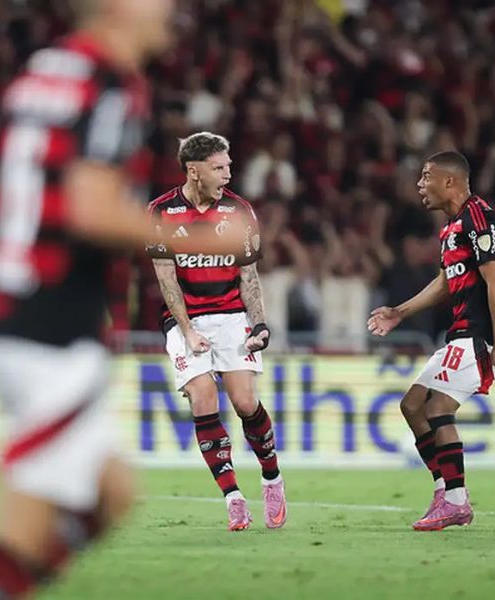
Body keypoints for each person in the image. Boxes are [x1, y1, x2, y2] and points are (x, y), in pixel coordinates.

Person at [0, 3, 250, 598]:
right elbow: (90, 209)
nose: (170, 10)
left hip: (10, 318)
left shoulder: (40, 72)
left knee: (111, 495)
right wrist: (198, 237)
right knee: (24, 536)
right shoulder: (110, 83)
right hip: (54, 329)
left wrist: (24, 238)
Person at [147, 132, 287, 532]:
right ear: (194, 170)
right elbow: (166, 280)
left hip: (230, 316)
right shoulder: (160, 211)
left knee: (244, 402)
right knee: (203, 396)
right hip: (185, 318)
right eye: (219, 167)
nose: (229, 173)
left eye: (228, 166)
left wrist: (259, 324)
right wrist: (188, 331)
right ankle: (234, 497)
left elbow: (249, 276)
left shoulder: (240, 211)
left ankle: (272, 476)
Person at [368, 151, 495, 531]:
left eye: (426, 176)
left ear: (449, 181)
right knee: (412, 405)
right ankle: (444, 489)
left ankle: (456, 500)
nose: (419, 185)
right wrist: (399, 312)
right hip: (460, 331)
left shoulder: (478, 216)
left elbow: (494, 279)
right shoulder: (451, 227)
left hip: (479, 332)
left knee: (437, 409)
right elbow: (447, 281)